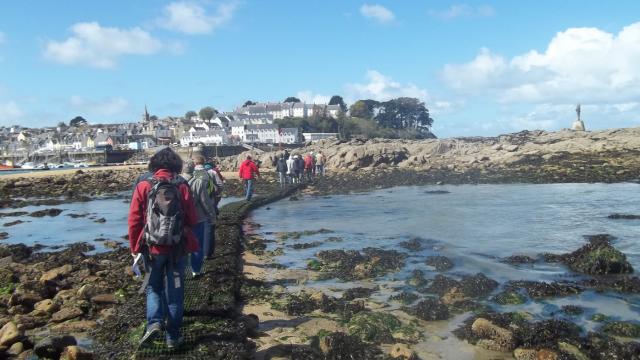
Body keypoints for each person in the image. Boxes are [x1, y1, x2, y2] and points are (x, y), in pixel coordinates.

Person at [128, 147, 198, 349]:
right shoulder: (182, 185)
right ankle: (173, 338)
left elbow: (133, 220)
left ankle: (154, 323)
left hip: (151, 249)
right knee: (175, 293)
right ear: (176, 166)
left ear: (154, 165)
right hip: (177, 250)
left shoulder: (143, 185)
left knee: (153, 287)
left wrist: (135, 247)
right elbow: (192, 219)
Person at [187, 156, 217, 275]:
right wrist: (211, 215)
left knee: (183, 245)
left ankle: (180, 272)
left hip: (182, 218)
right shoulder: (207, 175)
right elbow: (205, 201)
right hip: (198, 216)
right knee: (197, 243)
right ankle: (196, 270)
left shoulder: (177, 181)